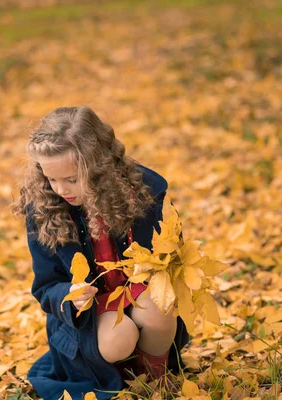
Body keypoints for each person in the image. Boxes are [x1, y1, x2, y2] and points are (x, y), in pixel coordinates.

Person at [13, 106, 190, 400]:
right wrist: (70, 294)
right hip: (92, 312)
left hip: (139, 289)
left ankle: (154, 377)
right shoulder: (44, 209)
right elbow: (45, 287)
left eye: (71, 179)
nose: (61, 189)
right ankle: (116, 378)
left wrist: (158, 267)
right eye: (51, 179)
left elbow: (171, 249)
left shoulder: (142, 191)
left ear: (100, 165)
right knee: (119, 338)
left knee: (160, 306)